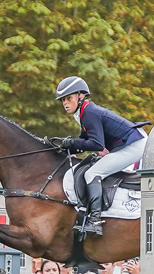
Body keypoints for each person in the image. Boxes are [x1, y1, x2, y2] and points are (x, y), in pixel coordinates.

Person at [56, 76, 148, 236]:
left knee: (92, 173)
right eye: (63, 100)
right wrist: (65, 147)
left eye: (68, 98)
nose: (65, 103)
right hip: (131, 142)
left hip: (135, 145)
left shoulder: (89, 113)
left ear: (80, 96)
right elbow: (84, 141)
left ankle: (95, 221)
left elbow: (97, 144)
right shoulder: (84, 112)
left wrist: (71, 143)